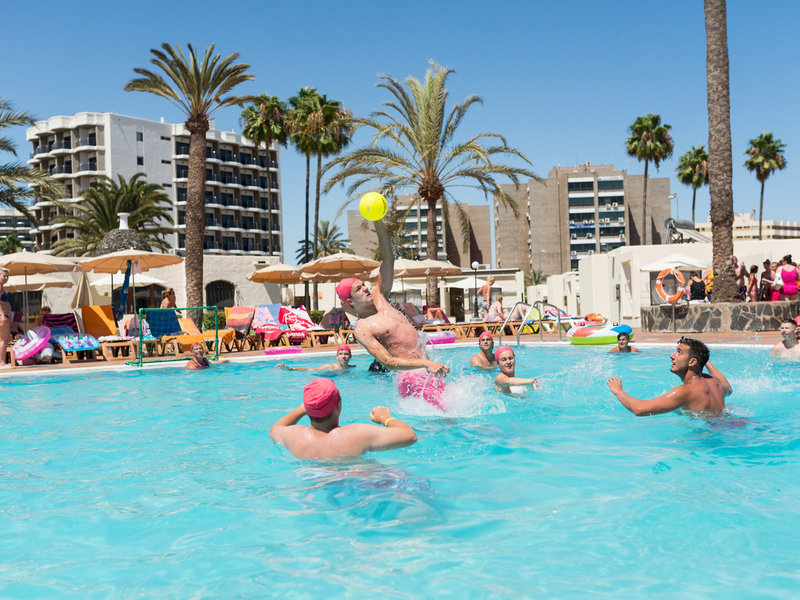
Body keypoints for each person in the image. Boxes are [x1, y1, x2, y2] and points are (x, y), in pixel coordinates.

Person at [337, 221, 448, 377]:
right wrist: (425, 363)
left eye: (363, 285)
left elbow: (388, 259)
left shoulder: (379, 295)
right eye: (358, 289)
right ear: (350, 302)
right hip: (412, 377)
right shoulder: (363, 329)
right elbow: (388, 362)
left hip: (430, 369)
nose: (365, 288)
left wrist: (378, 222)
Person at [269, 377, 418, 459]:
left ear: (308, 409)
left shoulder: (293, 436)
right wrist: (386, 418)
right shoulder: (356, 434)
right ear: (338, 405)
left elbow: (275, 429)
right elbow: (410, 436)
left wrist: (302, 409)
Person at [606, 337, 732, 416]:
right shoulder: (715, 382)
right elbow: (729, 388)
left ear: (692, 362)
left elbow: (639, 409)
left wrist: (618, 391)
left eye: (679, 352)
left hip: (707, 437)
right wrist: (703, 360)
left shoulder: (685, 391)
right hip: (728, 425)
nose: (672, 356)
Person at [276, 344, 356, 372]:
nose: (343, 357)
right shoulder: (329, 367)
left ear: (350, 356)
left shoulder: (353, 367)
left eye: (346, 354)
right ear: (337, 356)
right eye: (340, 354)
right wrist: (291, 369)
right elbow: (310, 370)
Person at [0, 267, 11, 368]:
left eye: (7, 276)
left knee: (4, 340)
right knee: (3, 340)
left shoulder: (2, 288)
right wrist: (3, 315)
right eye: (4, 276)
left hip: (4, 315)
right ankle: (1, 363)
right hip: (1, 316)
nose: (6, 278)